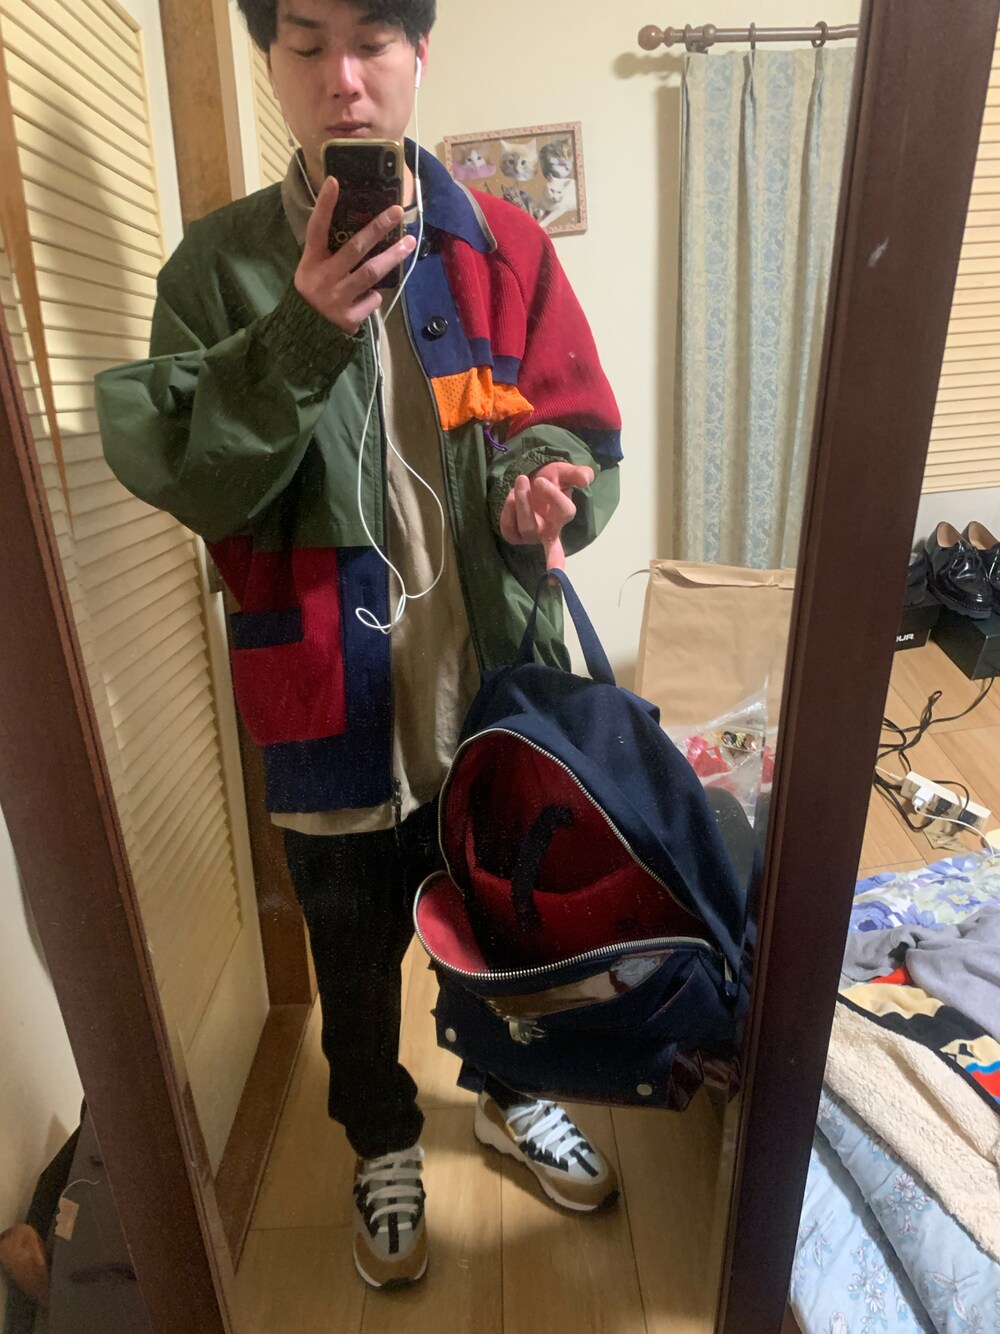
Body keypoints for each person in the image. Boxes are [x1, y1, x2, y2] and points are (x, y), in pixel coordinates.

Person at [95, 0, 623, 1291]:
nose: (343, 77)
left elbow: (574, 428)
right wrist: (300, 333)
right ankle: (382, 1137)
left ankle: (508, 1089)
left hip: (482, 686)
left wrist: (544, 490)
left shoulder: (498, 244)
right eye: (307, 42)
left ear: (420, 55)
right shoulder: (217, 269)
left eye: (375, 39)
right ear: (268, 60)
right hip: (327, 693)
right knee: (350, 957)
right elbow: (186, 470)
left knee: (500, 919)